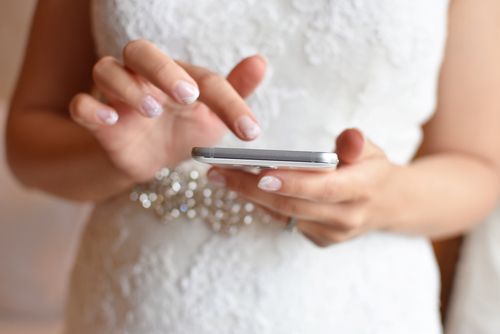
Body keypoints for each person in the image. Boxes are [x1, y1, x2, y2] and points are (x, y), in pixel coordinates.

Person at [6, 0, 500, 333]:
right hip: (138, 302)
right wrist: (114, 156)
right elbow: (26, 143)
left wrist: (380, 198)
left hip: (356, 304)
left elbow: (480, 166)